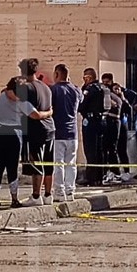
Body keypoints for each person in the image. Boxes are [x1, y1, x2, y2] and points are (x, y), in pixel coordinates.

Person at [0, 77, 31, 209]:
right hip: (13, 134)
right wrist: (49, 112)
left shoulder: (2, 95)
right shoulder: (22, 102)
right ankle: (14, 198)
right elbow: (36, 115)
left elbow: (7, 91)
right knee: (12, 167)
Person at [19, 58, 56, 206]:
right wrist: (49, 113)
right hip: (50, 128)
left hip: (35, 129)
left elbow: (32, 114)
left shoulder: (26, 88)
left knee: (36, 163)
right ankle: (48, 194)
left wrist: (42, 115)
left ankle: (36, 196)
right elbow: (51, 108)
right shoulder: (45, 87)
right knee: (49, 163)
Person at [50, 64, 84, 202]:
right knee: (71, 164)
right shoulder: (76, 90)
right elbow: (81, 101)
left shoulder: (54, 90)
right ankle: (70, 191)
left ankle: (59, 191)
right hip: (73, 133)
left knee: (59, 163)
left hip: (58, 132)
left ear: (57, 74)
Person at [79, 67, 106, 187]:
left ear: (89, 77)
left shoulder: (89, 89)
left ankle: (91, 178)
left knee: (90, 150)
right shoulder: (102, 88)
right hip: (101, 120)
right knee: (99, 150)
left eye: (85, 77)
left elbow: (82, 105)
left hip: (90, 121)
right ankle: (99, 177)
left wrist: (83, 88)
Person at [100, 74, 124, 185]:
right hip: (107, 123)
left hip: (114, 123)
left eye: (107, 82)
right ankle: (106, 172)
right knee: (104, 149)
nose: (105, 84)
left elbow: (119, 107)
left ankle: (116, 173)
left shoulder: (115, 95)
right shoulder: (105, 94)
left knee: (112, 148)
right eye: (103, 82)